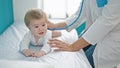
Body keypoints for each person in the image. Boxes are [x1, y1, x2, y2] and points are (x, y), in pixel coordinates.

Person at [48, 0, 120, 68]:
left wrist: (73, 46)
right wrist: (55, 26)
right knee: (77, 56)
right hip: (93, 35)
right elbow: (79, 15)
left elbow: (105, 23)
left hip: (112, 41)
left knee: (83, 61)